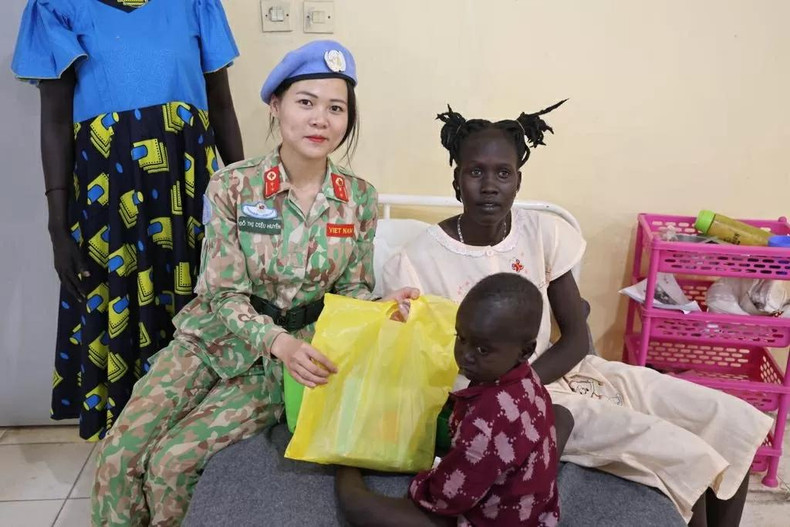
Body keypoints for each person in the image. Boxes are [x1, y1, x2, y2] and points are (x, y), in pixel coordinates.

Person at [381, 103, 774, 526]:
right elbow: (421, 369)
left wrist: (531, 379)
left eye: (503, 173)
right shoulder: (416, 261)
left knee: (730, 419)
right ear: (456, 181)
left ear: (518, 181)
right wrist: (516, 395)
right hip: (498, 404)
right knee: (687, 456)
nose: (490, 186)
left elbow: (574, 338)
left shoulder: (544, 233)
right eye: (475, 172)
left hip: (569, 368)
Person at [91, 40, 418, 526]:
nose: (320, 120)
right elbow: (222, 292)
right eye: (305, 102)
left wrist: (380, 308)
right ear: (276, 106)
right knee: (119, 454)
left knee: (172, 462)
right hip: (212, 337)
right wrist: (277, 340)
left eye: (335, 108)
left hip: (287, 361)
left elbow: (349, 290)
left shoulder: (359, 199)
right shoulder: (232, 186)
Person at [10, 0, 245, 441]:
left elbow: (221, 108)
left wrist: (244, 201)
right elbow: (56, 121)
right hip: (108, 203)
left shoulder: (195, 5)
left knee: (194, 305)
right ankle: (126, 444)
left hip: (187, 194)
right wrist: (57, 228)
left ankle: (192, 442)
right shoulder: (58, 8)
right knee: (117, 301)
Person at [336, 273, 568, 527]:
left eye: (482, 350)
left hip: (496, 518)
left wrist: (421, 483)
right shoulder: (527, 379)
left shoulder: (486, 421)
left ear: (525, 351)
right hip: (538, 505)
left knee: (362, 508)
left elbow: (447, 498)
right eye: (461, 338)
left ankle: (345, 464)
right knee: (561, 414)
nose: (465, 355)